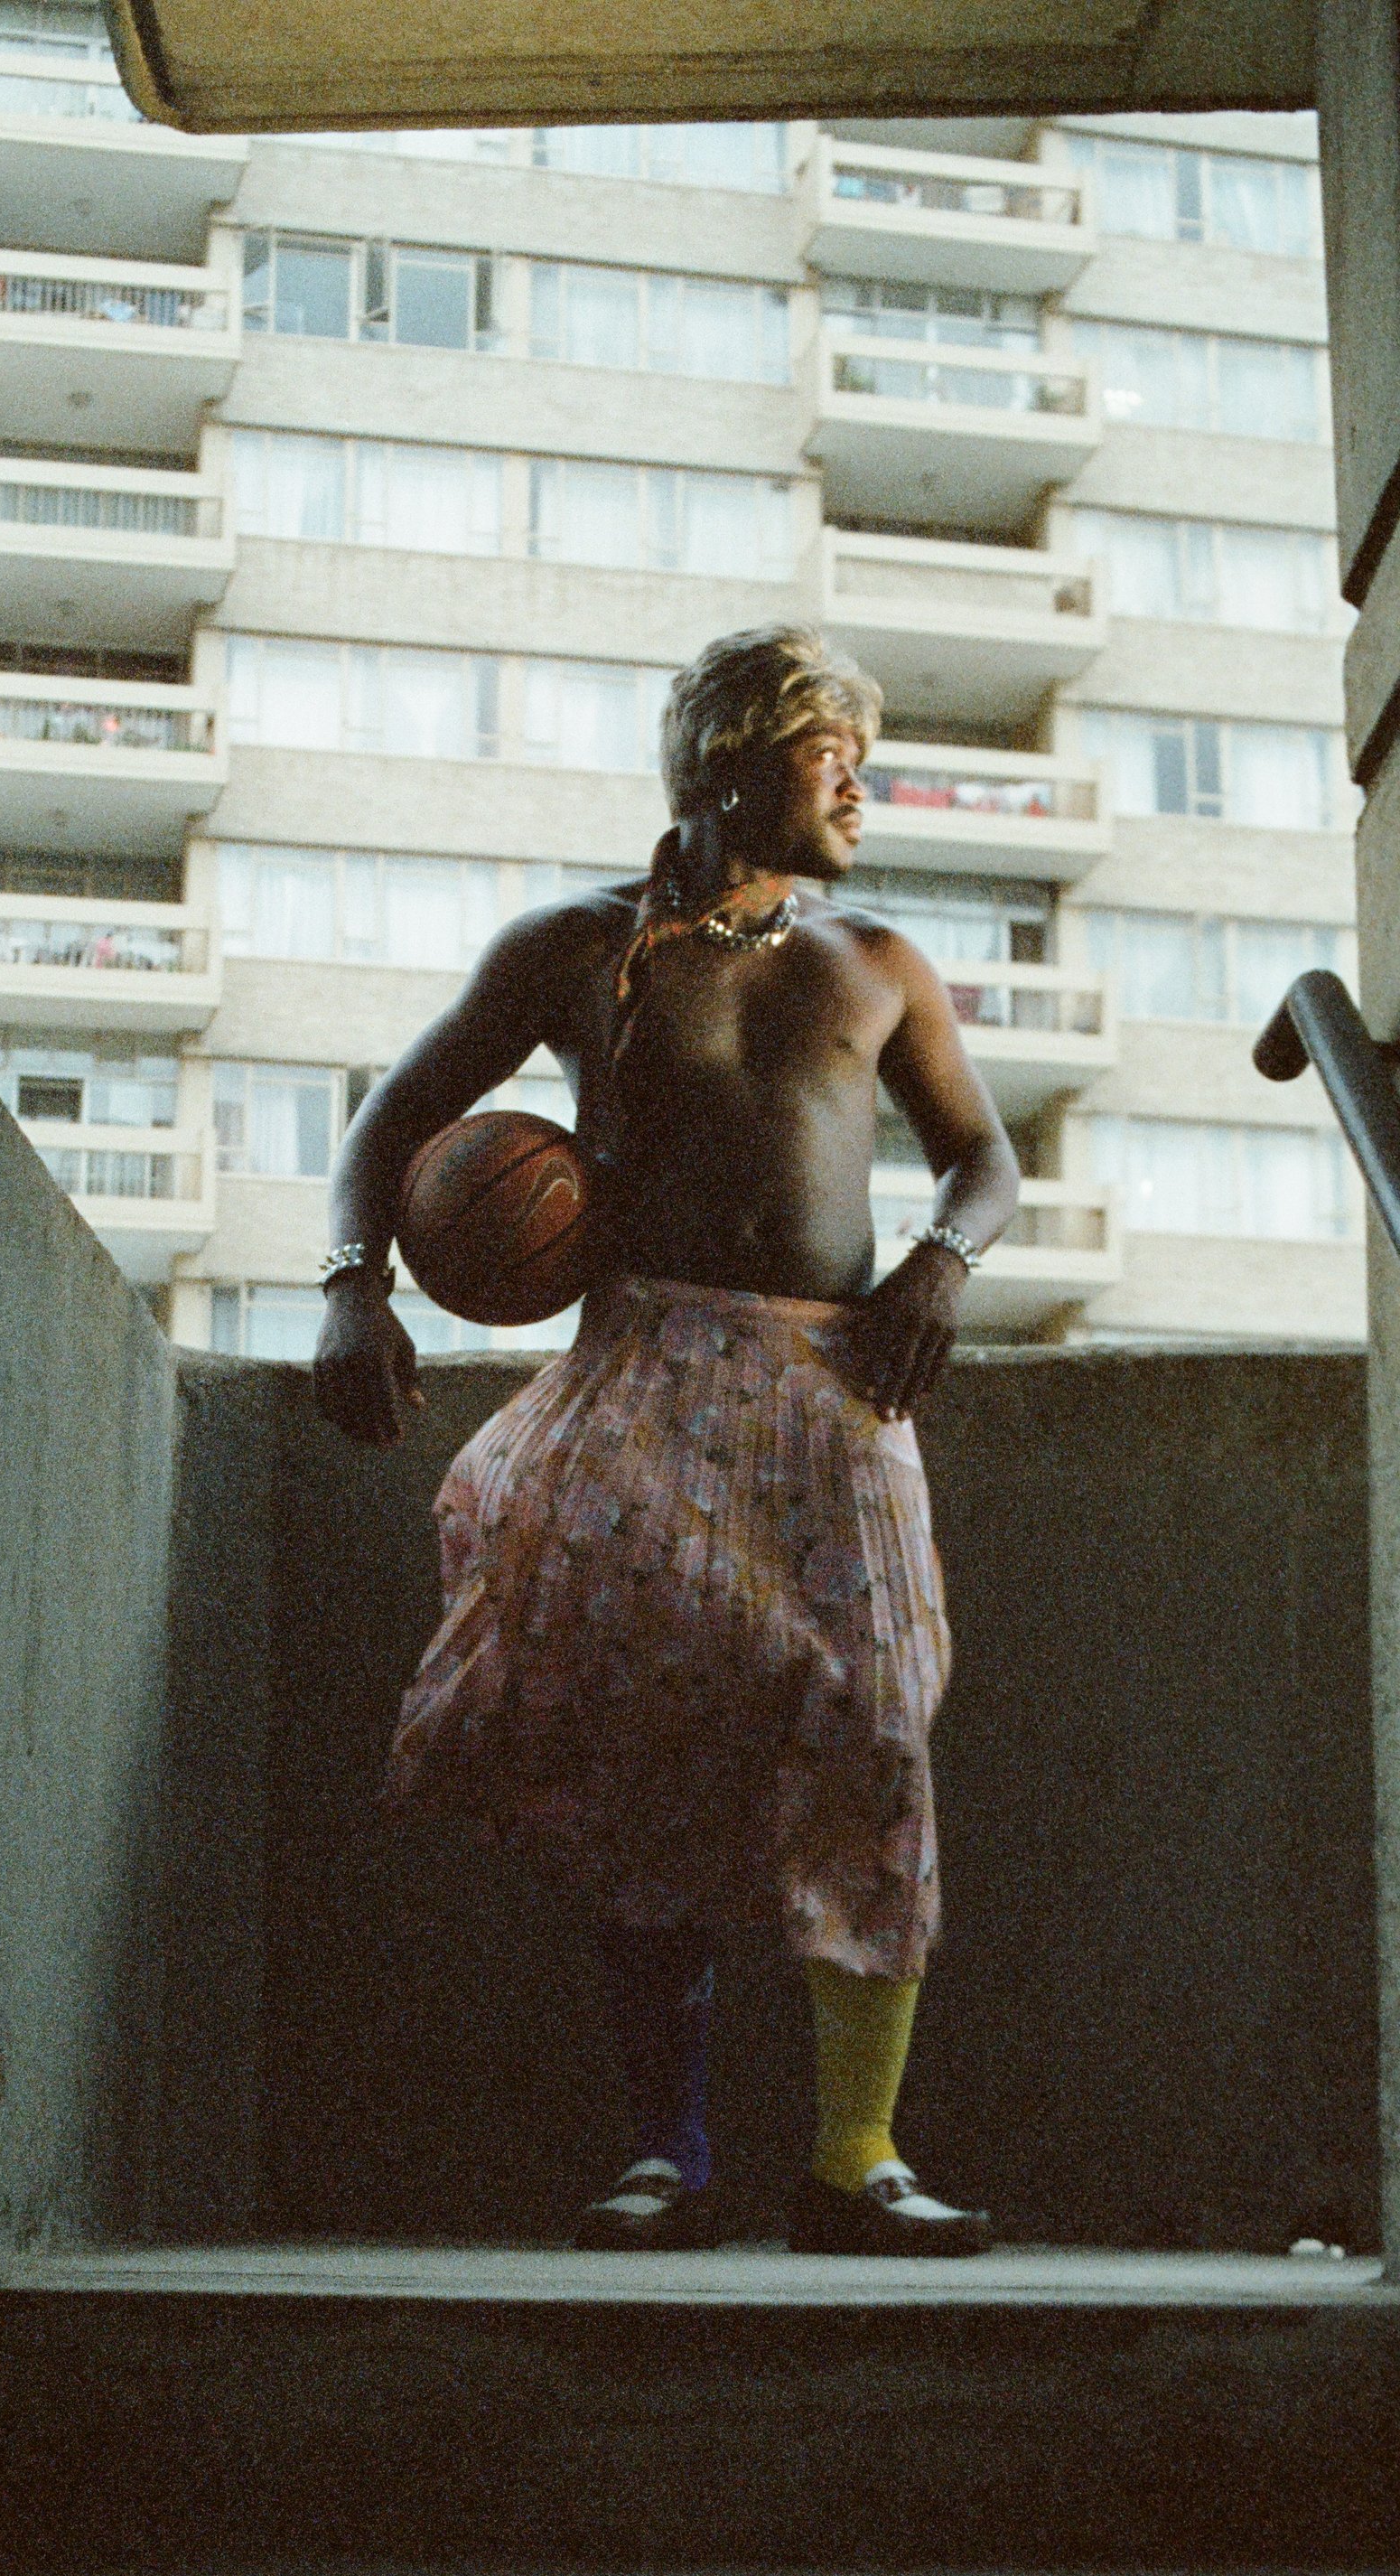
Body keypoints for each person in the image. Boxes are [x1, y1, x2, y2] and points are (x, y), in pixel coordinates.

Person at [311, 623, 1020, 2254]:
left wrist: (938, 1260)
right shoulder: (575, 947)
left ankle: (858, 2159)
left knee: (880, 1727)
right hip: (643, 1375)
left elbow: (981, 1158)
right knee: (643, 1750)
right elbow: (392, 1118)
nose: (860, 777)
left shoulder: (878, 962)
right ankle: (669, 2155)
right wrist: (355, 1289)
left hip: (843, 1389)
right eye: (825, 745)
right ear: (726, 760)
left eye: (862, 748)